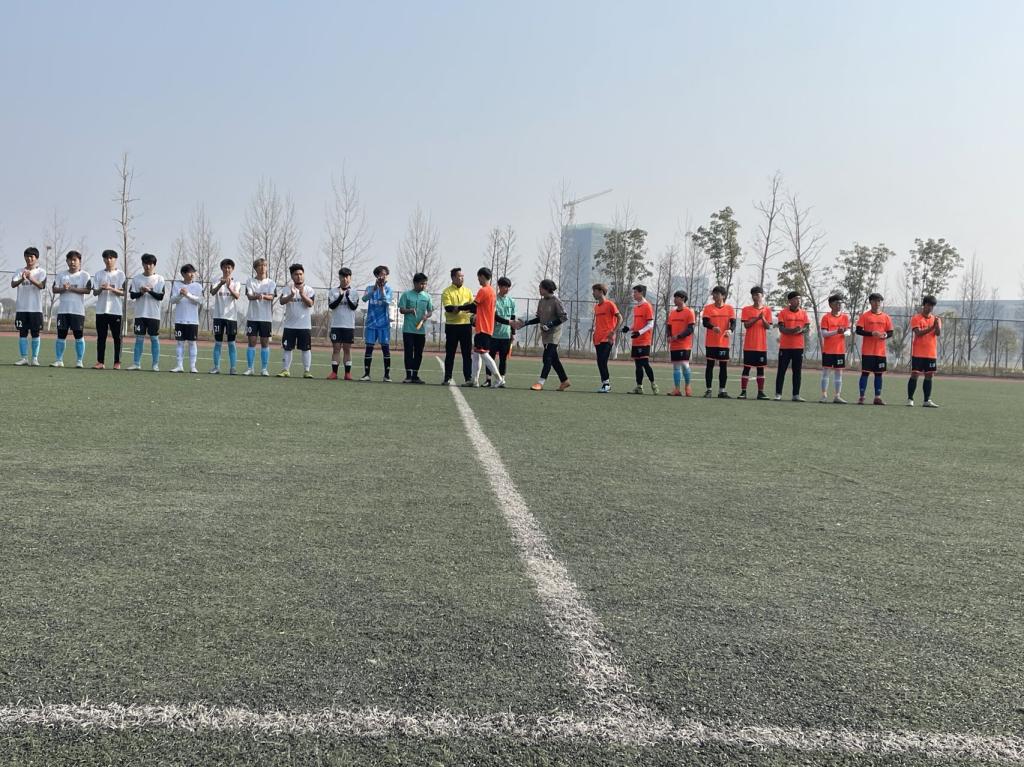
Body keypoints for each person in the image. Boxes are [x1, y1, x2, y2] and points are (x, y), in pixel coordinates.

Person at [514, 279, 569, 391]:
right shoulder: (541, 301)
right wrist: (526, 323)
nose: (539, 289)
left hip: (554, 334)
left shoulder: (556, 301)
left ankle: (540, 382)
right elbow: (539, 318)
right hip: (545, 334)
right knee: (554, 359)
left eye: (541, 287)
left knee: (547, 358)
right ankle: (564, 381)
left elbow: (564, 317)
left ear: (547, 288)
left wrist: (550, 324)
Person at [50, 250, 91, 368]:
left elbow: (88, 290)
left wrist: (71, 289)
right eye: (70, 260)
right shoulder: (61, 275)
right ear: (67, 261)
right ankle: (59, 360)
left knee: (78, 336)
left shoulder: (85, 275)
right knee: (61, 336)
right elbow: (54, 289)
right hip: (63, 311)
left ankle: (79, 361)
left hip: (77, 311)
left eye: (75, 260)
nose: (72, 262)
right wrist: (63, 289)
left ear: (79, 261)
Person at [126, 253, 165, 371]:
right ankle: (136, 363)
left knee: (154, 339)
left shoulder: (159, 279)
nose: (148, 266)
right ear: (142, 264)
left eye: (150, 264)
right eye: (145, 264)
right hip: (140, 314)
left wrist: (149, 291)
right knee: (139, 339)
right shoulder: (136, 279)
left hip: (154, 315)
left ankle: (155, 365)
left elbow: (160, 297)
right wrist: (141, 292)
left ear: (154, 265)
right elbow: (132, 295)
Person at [277, 263, 316, 378]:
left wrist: (302, 295)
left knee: (306, 349)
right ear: (292, 276)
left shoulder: (309, 289)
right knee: (287, 348)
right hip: (290, 325)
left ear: (303, 275)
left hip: (304, 326)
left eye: (301, 274)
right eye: (296, 274)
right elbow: (281, 301)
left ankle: (307, 371)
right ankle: (285, 370)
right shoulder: (287, 289)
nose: (299, 276)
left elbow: (310, 304)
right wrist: (291, 295)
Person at [856, 292, 894, 405]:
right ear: (870, 302)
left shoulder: (886, 317)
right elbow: (858, 330)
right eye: (875, 301)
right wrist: (871, 333)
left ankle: (877, 397)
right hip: (868, 351)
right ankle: (861, 397)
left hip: (880, 352)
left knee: (879, 374)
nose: (877, 303)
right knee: (865, 373)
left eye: (879, 301)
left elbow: (890, 332)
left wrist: (885, 335)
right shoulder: (865, 316)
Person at [11, 246, 46, 366]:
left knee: (35, 333)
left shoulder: (41, 272)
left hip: (35, 308)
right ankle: (24, 358)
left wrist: (30, 278)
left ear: (36, 258)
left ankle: (35, 358)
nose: (29, 259)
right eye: (27, 256)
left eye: (31, 256)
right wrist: (22, 279)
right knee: (22, 333)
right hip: (21, 308)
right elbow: (13, 284)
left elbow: (41, 285)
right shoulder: (19, 271)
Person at [92, 249, 126, 369]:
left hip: (115, 311)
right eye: (106, 258)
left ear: (115, 259)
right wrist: (101, 289)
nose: (108, 260)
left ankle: (117, 362)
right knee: (101, 337)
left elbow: (123, 293)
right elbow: (95, 292)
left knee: (117, 338)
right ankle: (100, 362)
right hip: (101, 311)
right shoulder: (98, 274)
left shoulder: (121, 275)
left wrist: (110, 288)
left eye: (111, 258)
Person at [774, 291, 810, 402]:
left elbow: (807, 327)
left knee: (797, 371)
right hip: (785, 347)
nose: (798, 301)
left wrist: (801, 330)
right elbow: (782, 329)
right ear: (790, 301)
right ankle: (778, 394)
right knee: (781, 371)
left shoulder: (803, 313)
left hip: (798, 347)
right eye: (795, 299)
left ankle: (796, 395)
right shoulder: (783, 313)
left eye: (799, 298)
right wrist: (793, 330)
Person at [397, 272, 433, 383]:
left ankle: (415, 375)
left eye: (425, 284)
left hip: (420, 330)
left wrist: (427, 316)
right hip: (408, 330)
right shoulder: (406, 295)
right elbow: (401, 310)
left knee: (418, 353)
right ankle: (408, 376)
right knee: (408, 352)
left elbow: (430, 311)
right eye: (421, 283)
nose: (423, 286)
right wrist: (410, 310)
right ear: (415, 283)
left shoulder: (427, 296)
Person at [621, 284, 657, 394]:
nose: (634, 294)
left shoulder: (647, 306)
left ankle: (653, 384)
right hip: (636, 340)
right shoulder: (636, 307)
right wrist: (629, 328)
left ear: (641, 293)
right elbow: (637, 324)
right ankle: (639, 387)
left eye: (635, 292)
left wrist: (639, 332)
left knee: (644, 363)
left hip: (644, 340)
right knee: (637, 365)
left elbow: (650, 324)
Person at [243, 258, 277, 377]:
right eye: (260, 266)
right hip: (253, 317)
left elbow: (272, 296)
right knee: (251, 342)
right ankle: (250, 368)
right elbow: (249, 296)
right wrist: (259, 296)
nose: (262, 268)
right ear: (255, 268)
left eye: (264, 266)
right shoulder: (250, 281)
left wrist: (262, 296)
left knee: (265, 343)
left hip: (266, 318)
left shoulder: (271, 283)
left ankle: (264, 369)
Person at [360, 265, 394, 381]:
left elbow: (386, 302)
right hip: (371, 324)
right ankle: (366, 374)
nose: (383, 277)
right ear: (376, 276)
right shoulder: (369, 288)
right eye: (381, 274)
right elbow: (364, 299)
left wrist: (382, 289)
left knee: (386, 349)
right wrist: (375, 288)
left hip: (384, 324)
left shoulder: (389, 289)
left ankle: (387, 375)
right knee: (369, 348)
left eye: (385, 275)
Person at [907, 295, 942, 408]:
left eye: (932, 306)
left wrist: (937, 326)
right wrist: (932, 327)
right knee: (915, 374)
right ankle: (910, 399)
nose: (930, 307)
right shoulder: (916, 318)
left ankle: (926, 400)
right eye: (928, 305)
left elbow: (938, 333)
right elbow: (918, 333)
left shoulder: (936, 319)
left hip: (931, 353)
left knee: (929, 375)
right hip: (918, 352)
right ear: (924, 305)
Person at [441, 267, 474, 385]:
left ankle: (468, 378)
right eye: (459, 276)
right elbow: (449, 308)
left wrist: (459, 308)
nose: (461, 278)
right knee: (450, 354)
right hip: (452, 326)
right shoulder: (447, 292)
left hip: (466, 325)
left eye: (462, 276)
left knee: (467, 354)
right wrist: (463, 308)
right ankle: (447, 378)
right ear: (453, 278)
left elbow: (472, 307)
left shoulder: (468, 291)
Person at [739, 286, 772, 400]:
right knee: (746, 368)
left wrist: (763, 319)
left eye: (757, 294)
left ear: (762, 296)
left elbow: (768, 326)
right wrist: (757, 318)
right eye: (753, 295)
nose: (755, 297)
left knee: (760, 369)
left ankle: (760, 393)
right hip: (749, 345)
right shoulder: (746, 309)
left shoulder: (767, 310)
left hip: (761, 346)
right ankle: (743, 392)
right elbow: (746, 325)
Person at [701, 286, 735, 398]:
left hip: (723, 343)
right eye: (713, 293)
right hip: (711, 343)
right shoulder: (708, 308)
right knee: (710, 366)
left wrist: (730, 330)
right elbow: (705, 322)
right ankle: (709, 390)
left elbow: (733, 323)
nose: (714, 295)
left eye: (717, 293)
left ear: (723, 296)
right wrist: (713, 327)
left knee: (723, 367)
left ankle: (722, 391)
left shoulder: (729, 309)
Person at [169, 264, 203, 374]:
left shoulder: (198, 286)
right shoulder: (177, 285)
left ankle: (193, 367)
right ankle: (179, 366)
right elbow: (172, 300)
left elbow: (200, 300)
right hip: (180, 319)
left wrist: (187, 294)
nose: (192, 274)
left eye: (193, 272)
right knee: (180, 343)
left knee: (192, 343)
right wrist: (180, 295)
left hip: (193, 320)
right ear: (183, 274)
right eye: (189, 272)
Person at [209, 258, 241, 374]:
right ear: (221, 268)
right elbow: (212, 292)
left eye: (229, 267)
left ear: (232, 269)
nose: (227, 270)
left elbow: (237, 296)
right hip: (218, 316)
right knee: (218, 343)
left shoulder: (236, 282)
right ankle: (216, 367)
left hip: (231, 317)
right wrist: (221, 284)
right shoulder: (215, 280)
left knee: (231, 343)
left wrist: (229, 287)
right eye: (225, 267)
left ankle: (233, 368)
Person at [326, 267, 358, 380]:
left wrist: (347, 296)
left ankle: (347, 373)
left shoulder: (354, 292)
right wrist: (340, 296)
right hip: (336, 325)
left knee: (347, 349)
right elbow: (332, 306)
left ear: (350, 278)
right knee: (336, 348)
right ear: (339, 278)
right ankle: (334, 373)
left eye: (347, 277)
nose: (345, 279)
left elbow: (353, 307)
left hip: (348, 325)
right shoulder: (333, 291)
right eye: (343, 277)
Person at [485, 276, 516, 388]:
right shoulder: (494, 300)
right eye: (504, 287)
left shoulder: (511, 301)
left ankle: (502, 379)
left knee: (503, 359)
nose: (507, 289)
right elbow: (494, 316)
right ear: (499, 287)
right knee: (490, 358)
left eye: (508, 287)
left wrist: (513, 333)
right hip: (493, 334)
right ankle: (488, 379)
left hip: (506, 335)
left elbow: (513, 317)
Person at [819, 294, 850, 403]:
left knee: (839, 373)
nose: (839, 305)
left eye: (840, 303)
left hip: (840, 350)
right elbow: (824, 334)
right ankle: (824, 395)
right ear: (831, 305)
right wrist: (837, 331)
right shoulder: (826, 318)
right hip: (828, 350)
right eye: (837, 303)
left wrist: (844, 332)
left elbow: (848, 332)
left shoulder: (845, 317)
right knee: (826, 373)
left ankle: (837, 396)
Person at [591, 283, 621, 393]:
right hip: (598, 338)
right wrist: (594, 334)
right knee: (600, 361)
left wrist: (613, 331)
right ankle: (605, 383)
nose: (593, 293)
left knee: (602, 360)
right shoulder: (596, 307)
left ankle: (607, 384)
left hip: (607, 338)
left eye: (594, 291)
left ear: (600, 291)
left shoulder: (610, 304)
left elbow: (620, 318)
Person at [665, 290, 696, 396]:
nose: (674, 299)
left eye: (676, 297)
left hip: (684, 344)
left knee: (684, 364)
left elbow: (690, 329)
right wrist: (669, 336)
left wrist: (678, 336)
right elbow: (669, 327)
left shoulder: (689, 312)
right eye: (674, 297)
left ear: (682, 299)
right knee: (676, 366)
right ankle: (677, 389)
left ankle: (687, 386)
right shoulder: (672, 312)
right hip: (674, 344)